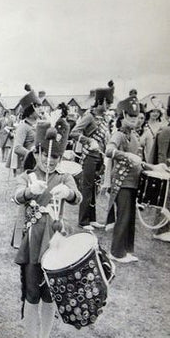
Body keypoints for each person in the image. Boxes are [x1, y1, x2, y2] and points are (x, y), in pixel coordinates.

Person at [12, 117, 81, 338]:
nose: (50, 160)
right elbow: (17, 195)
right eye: (45, 155)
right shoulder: (29, 175)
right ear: (38, 152)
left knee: (51, 294)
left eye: (55, 157)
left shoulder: (64, 177)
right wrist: (31, 191)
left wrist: (69, 192)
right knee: (32, 292)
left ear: (61, 159)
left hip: (56, 243)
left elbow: (78, 197)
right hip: (33, 241)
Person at [105, 96, 170, 262]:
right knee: (123, 217)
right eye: (131, 117)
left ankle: (126, 251)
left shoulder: (133, 136)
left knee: (130, 218)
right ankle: (116, 252)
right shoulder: (119, 135)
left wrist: (155, 167)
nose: (135, 120)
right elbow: (109, 150)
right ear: (124, 116)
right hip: (123, 182)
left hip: (133, 182)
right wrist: (125, 154)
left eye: (137, 116)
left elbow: (140, 162)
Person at [70, 82, 114, 231]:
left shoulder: (105, 118)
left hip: (99, 157)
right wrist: (89, 140)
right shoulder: (89, 116)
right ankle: (83, 221)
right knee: (87, 188)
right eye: (107, 102)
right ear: (100, 101)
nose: (108, 105)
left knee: (94, 188)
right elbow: (74, 133)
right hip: (89, 156)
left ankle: (92, 219)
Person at [11, 85, 41, 174]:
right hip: (27, 167)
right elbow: (17, 148)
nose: (40, 109)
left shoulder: (37, 124)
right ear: (30, 112)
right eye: (37, 107)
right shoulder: (23, 127)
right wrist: (31, 154)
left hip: (38, 166)